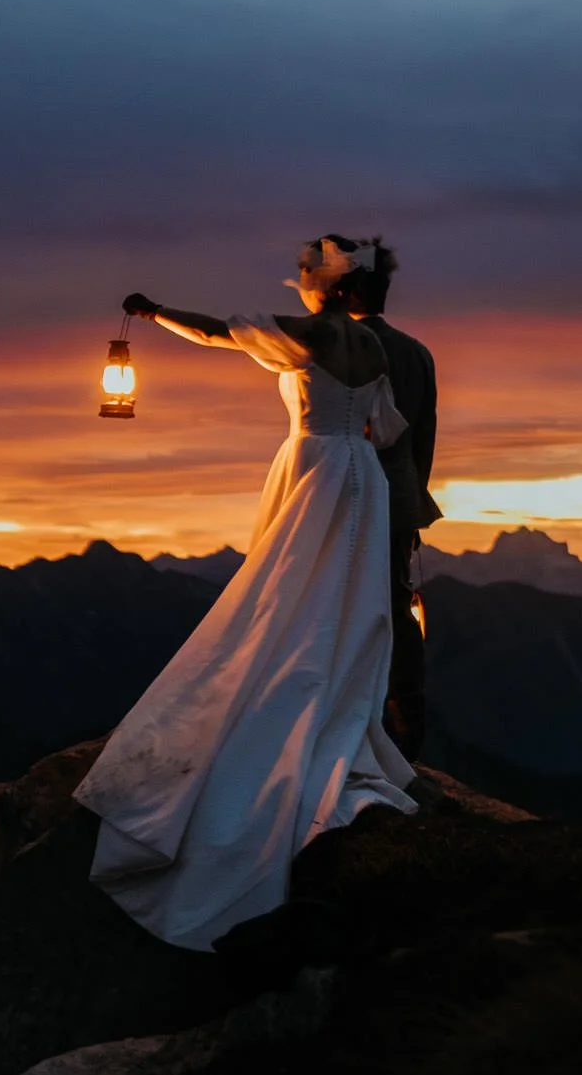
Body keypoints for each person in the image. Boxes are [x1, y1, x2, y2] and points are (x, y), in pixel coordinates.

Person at [74, 235, 418, 951]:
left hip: (314, 464)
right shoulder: (376, 350)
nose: (298, 278)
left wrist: (153, 309)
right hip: (361, 478)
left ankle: (272, 712)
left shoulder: (308, 333)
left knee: (283, 598)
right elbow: (385, 428)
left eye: (308, 271)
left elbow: (214, 331)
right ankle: (334, 707)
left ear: (329, 285)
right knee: (344, 603)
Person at [340, 243, 439, 760]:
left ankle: (346, 718)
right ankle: (407, 722)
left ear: (345, 289)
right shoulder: (417, 352)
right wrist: (414, 499)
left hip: (348, 492)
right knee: (399, 611)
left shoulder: (342, 345)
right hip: (400, 496)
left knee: (340, 603)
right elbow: (424, 437)